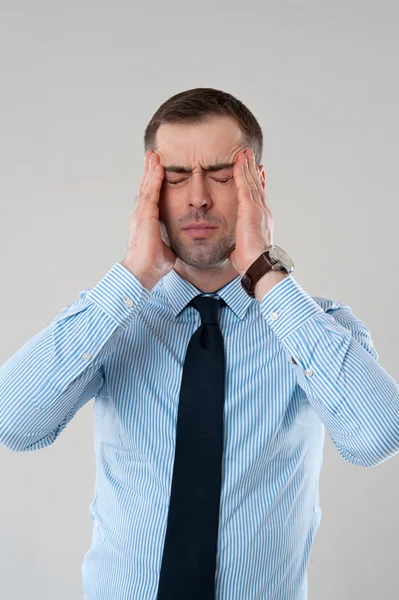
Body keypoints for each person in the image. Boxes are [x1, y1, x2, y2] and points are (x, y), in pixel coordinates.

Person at [0, 87, 398, 600]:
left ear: (256, 184)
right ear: (151, 190)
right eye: (175, 176)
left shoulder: (314, 328)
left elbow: (377, 436)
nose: (198, 198)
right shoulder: (111, 321)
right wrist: (132, 276)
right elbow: (13, 421)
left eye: (222, 175)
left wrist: (265, 271)